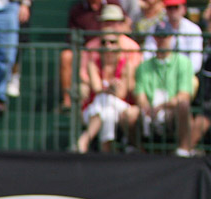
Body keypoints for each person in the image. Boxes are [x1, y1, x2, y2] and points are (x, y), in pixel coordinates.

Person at [134, 20, 194, 155]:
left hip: (171, 111)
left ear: (172, 37)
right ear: (154, 38)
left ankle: (183, 150)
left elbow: (184, 95)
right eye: (159, 36)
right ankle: (139, 151)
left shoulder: (183, 63)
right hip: (149, 111)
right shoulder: (143, 66)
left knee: (183, 106)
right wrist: (146, 107)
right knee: (130, 115)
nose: (162, 40)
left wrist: (161, 107)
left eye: (166, 36)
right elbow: (140, 95)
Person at [76, 29, 138, 152]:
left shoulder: (127, 65)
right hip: (94, 108)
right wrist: (110, 88)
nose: (108, 46)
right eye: (104, 42)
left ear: (118, 45)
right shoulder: (93, 64)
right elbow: (96, 88)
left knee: (106, 99)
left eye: (112, 42)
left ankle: (85, 139)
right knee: (107, 112)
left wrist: (107, 90)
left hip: (120, 108)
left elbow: (121, 94)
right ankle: (107, 151)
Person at [140, 0, 201, 74]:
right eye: (169, 7)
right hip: (159, 72)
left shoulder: (193, 29)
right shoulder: (156, 28)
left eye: (176, 7)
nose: (173, 11)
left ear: (184, 9)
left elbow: (196, 63)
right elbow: (147, 55)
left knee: (194, 81)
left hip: (184, 73)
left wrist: (179, 73)